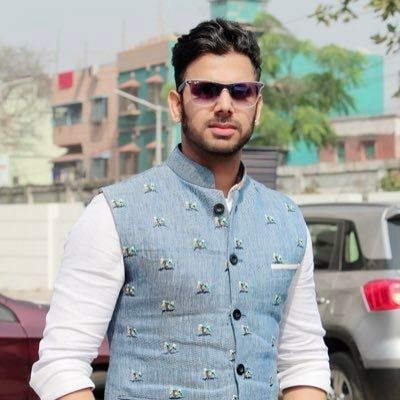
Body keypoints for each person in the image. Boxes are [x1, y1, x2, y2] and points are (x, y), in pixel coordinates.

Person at [30, 18, 330, 400]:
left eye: (241, 92)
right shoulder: (116, 213)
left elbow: (304, 359)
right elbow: (61, 364)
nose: (225, 106)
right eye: (206, 90)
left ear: (257, 106)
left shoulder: (286, 220)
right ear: (177, 104)